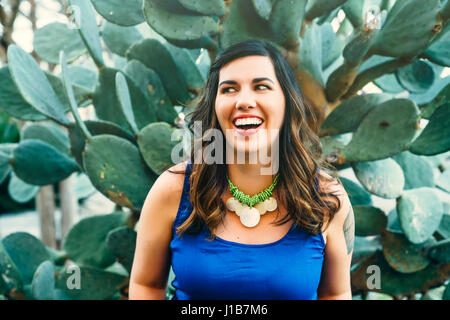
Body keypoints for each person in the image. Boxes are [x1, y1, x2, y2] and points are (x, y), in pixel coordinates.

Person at [129, 39, 355, 300]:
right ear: (214, 106)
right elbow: (147, 285)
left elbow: (335, 293)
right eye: (229, 89)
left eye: (261, 87)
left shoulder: (328, 198)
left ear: (286, 102)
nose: (244, 101)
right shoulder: (173, 189)